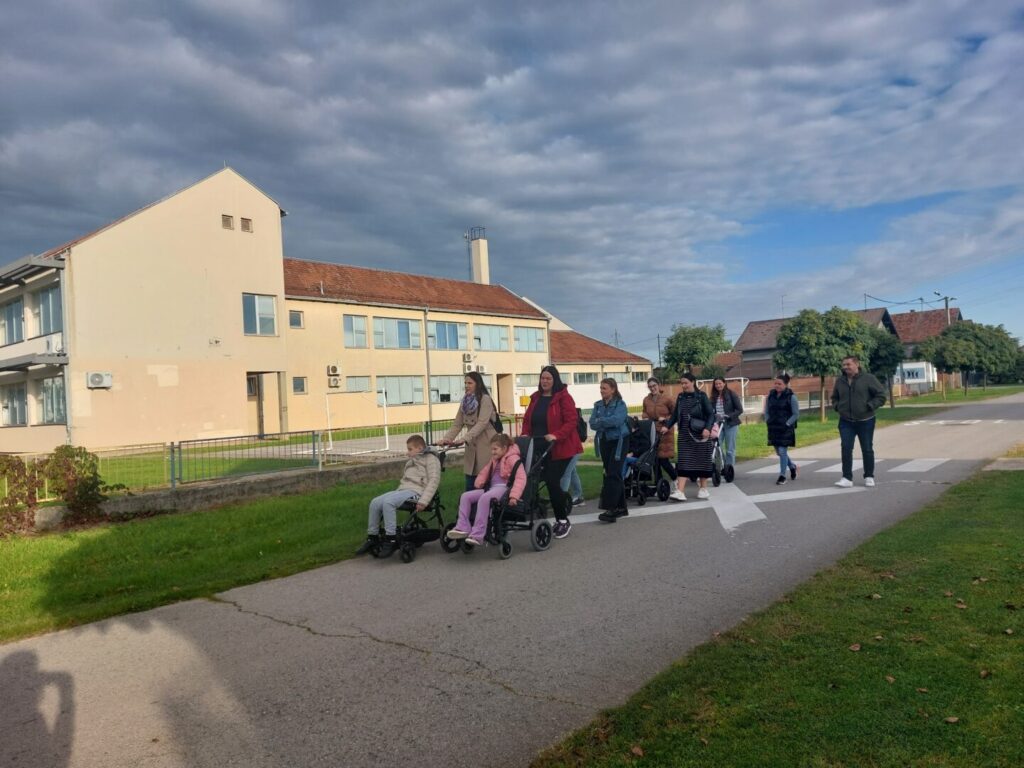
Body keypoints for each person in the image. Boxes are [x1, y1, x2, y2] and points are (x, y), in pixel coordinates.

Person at [520, 365, 584, 539]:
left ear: (555, 380)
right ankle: (544, 506)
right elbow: (527, 420)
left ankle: (562, 520)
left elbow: (572, 421)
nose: (545, 381)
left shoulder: (563, 398)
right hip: (539, 446)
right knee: (531, 478)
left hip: (562, 447)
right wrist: (525, 435)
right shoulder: (536, 398)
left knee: (551, 481)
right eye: (542, 378)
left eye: (548, 378)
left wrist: (556, 435)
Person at [355, 434, 441, 557]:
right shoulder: (412, 461)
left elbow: (434, 481)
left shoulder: (432, 460)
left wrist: (424, 501)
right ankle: (372, 537)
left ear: (420, 448)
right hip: (403, 490)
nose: (408, 452)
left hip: (418, 492)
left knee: (388, 502)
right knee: (375, 502)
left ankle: (391, 538)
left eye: (410, 449)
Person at [449, 434, 527, 547]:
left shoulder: (513, 459)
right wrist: (479, 482)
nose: (492, 452)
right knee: (465, 496)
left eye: (495, 449)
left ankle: (478, 534)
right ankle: (462, 526)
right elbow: (485, 471)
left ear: (504, 448)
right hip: (491, 488)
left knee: (485, 498)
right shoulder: (494, 460)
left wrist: (514, 496)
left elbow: (521, 478)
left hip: (504, 489)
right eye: (491, 449)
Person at [831, 354, 887, 488]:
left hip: (865, 420)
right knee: (846, 448)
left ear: (857, 364)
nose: (845, 367)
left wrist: (870, 406)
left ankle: (869, 476)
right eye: (843, 365)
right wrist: (838, 407)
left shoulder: (868, 379)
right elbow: (834, 398)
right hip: (845, 421)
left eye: (848, 364)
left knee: (867, 448)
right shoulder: (840, 381)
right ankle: (846, 478)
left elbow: (881, 396)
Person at [659, 372, 715, 500]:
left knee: (701, 461)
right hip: (684, 435)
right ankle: (680, 491)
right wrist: (667, 426)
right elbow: (674, 415)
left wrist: (707, 428)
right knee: (684, 462)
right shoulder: (680, 397)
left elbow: (711, 414)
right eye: (682, 383)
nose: (683, 385)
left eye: (685, 383)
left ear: (693, 382)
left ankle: (703, 488)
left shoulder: (701, 396)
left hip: (700, 434)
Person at [439, 372, 498, 491]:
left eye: (470, 383)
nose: (467, 385)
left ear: (478, 384)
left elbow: (482, 423)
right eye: (465, 383)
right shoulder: (465, 401)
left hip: (486, 443)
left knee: (485, 482)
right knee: (470, 483)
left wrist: (464, 438)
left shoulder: (485, 399)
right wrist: (447, 439)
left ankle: (486, 507)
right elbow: (457, 424)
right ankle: (471, 508)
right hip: (471, 445)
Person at [589, 378, 631, 523]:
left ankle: (611, 508)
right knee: (611, 472)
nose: (601, 391)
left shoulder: (620, 404)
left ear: (613, 389)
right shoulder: (598, 405)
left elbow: (617, 421)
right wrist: (604, 422)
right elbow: (592, 423)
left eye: (604, 388)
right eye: (601, 388)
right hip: (605, 441)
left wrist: (601, 421)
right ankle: (621, 507)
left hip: (619, 441)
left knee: (613, 472)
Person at [642, 377, 684, 501]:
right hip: (652, 430)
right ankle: (659, 486)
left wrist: (665, 419)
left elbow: (676, 413)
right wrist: (645, 417)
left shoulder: (667, 398)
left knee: (663, 460)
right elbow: (644, 412)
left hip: (665, 430)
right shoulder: (646, 399)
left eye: (654, 385)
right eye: (650, 386)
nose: (652, 388)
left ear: (659, 385)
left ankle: (676, 479)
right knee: (654, 460)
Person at [764, 373, 799, 485]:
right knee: (779, 452)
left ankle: (782, 475)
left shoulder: (791, 397)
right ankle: (792, 467)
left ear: (786, 385)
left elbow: (795, 414)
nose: (777, 385)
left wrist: (787, 424)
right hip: (773, 427)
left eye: (779, 384)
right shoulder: (771, 395)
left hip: (785, 428)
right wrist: (767, 420)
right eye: (775, 383)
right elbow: (766, 410)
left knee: (783, 451)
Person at [710, 377, 744, 471]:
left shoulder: (731, 394)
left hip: (730, 424)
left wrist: (728, 416)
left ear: (724, 383)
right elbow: (711, 410)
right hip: (718, 424)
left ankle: (729, 470)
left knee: (730, 449)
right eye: (716, 384)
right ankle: (723, 467)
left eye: (720, 383)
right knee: (717, 446)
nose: (718, 385)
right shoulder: (713, 397)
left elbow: (739, 410)